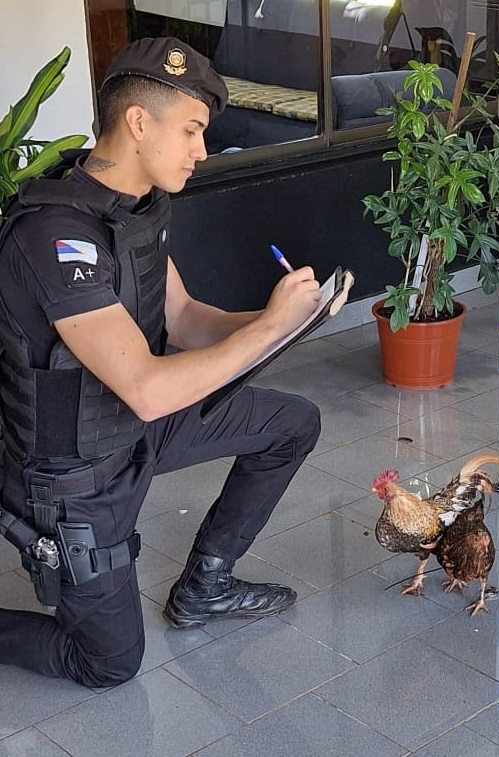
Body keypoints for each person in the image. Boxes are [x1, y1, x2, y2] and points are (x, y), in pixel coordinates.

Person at [0, 37, 323, 687]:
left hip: (131, 429)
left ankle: (206, 582)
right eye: (193, 131)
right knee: (110, 662)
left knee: (293, 423)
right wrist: (263, 332)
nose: (202, 151)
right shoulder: (54, 236)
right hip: (73, 473)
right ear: (138, 122)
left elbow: (185, 320)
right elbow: (147, 387)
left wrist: (276, 323)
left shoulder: (136, 208)